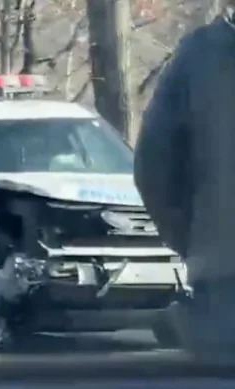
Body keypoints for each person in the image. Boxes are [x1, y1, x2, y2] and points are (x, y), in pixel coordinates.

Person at [134, 3, 235, 359]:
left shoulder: (201, 58)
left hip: (223, 281)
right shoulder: (201, 57)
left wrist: (194, 239)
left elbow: (153, 166)